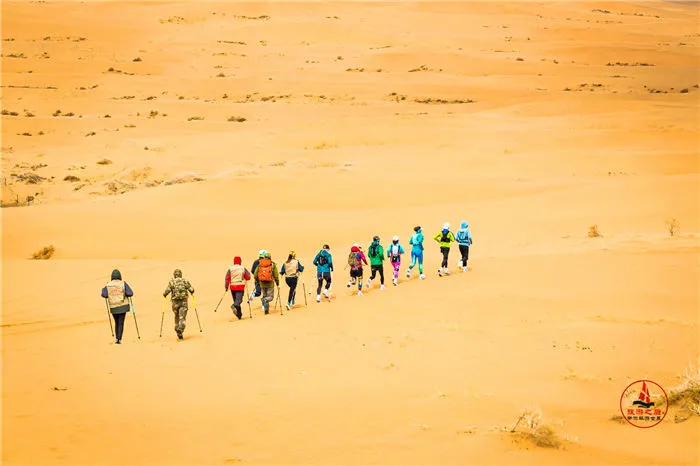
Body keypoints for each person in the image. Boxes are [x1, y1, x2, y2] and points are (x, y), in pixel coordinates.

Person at [101, 269, 134, 344]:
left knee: (116, 322)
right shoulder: (123, 283)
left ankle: (117, 338)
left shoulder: (108, 285)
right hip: (123, 306)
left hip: (113, 307)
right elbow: (130, 293)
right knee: (121, 322)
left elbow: (104, 294)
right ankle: (119, 339)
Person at [163, 269, 195, 340]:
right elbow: (192, 289)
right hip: (183, 302)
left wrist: (165, 295)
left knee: (176, 316)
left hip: (175, 303)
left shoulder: (172, 282)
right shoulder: (185, 281)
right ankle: (180, 329)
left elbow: (166, 291)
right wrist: (191, 292)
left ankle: (177, 328)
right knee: (182, 317)